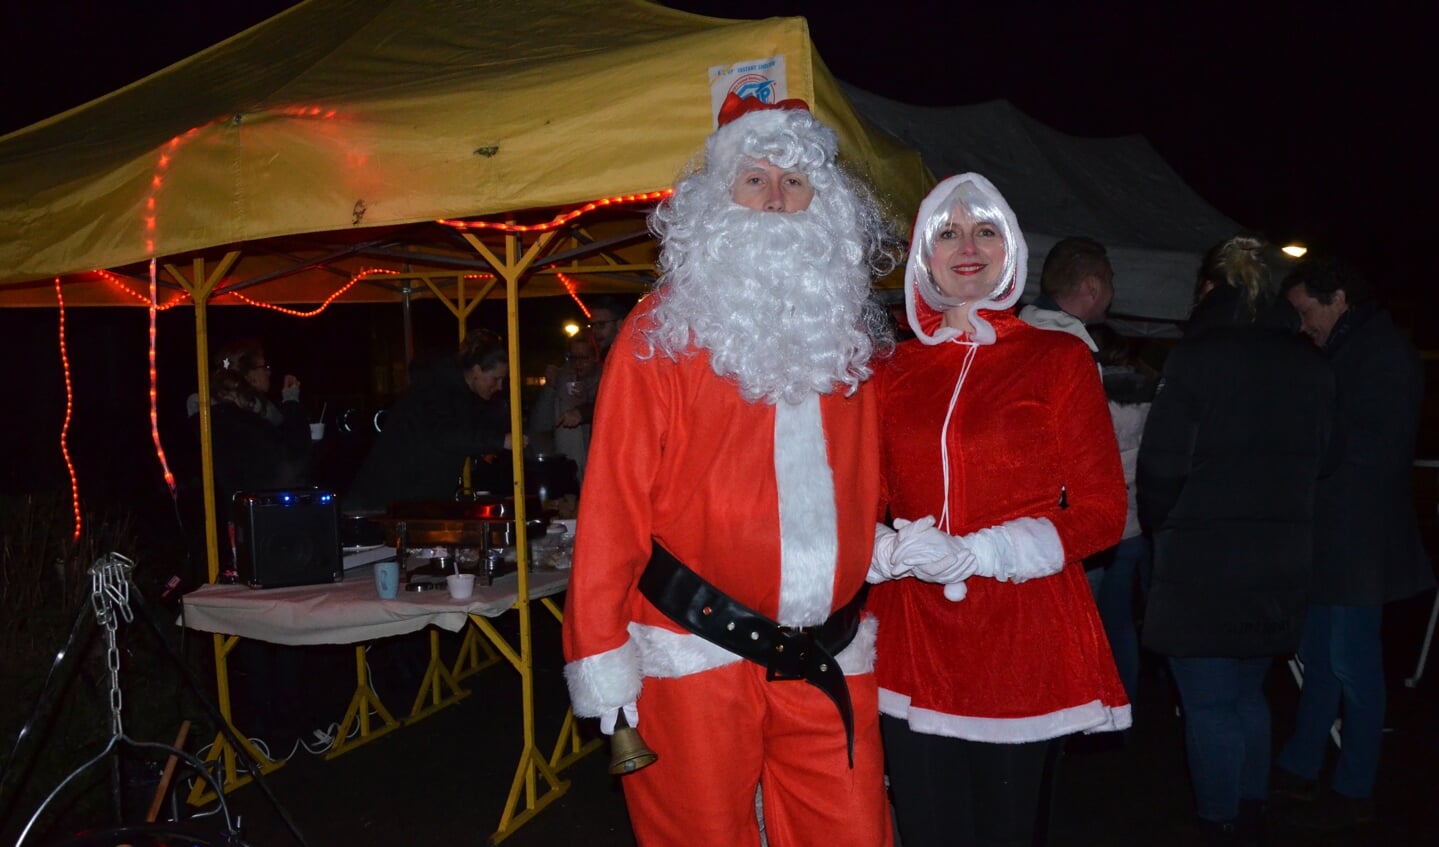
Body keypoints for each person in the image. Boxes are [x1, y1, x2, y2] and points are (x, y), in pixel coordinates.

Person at [561, 93, 896, 846]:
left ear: (826, 206)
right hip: (692, 648)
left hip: (829, 651)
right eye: (755, 181)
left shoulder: (845, 338)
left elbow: (868, 482)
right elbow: (612, 502)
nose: (776, 200)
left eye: (795, 183)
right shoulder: (660, 331)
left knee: (852, 830)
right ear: (717, 198)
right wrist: (597, 647)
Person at [866, 173, 1130, 847]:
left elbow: (1102, 512)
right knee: (927, 828)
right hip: (910, 636)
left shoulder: (1057, 358)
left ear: (1009, 249)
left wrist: (984, 552)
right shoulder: (888, 370)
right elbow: (861, 492)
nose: (966, 247)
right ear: (923, 257)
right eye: (946, 232)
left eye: (984, 230)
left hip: (1019, 638)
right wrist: (880, 547)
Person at [1137, 235, 1336, 844]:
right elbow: (1326, 464)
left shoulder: (1198, 357)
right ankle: (1250, 812)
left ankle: (1222, 821)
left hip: (1203, 561)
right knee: (1247, 693)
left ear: (1208, 288)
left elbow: (1161, 468)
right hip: (1280, 560)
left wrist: (1160, 529)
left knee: (1209, 703)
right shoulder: (1309, 361)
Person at [1273, 257, 1435, 830]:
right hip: (1336, 538)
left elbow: (1369, 451)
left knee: (1351, 665)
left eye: (1304, 310)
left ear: (1337, 297)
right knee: (1323, 659)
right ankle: (1302, 763)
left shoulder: (1381, 354)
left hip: (1357, 543)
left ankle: (1356, 780)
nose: (1301, 324)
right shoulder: (1354, 349)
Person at [344, 329, 516, 512]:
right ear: (476, 370)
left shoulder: (458, 392)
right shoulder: (437, 388)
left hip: (408, 502)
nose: (499, 386)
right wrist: (500, 440)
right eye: (496, 379)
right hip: (382, 503)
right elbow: (445, 435)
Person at [1088, 323, 1158, 709]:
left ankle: (1099, 705)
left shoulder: (1092, 400)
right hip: (1134, 528)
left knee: (1096, 624)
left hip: (1102, 529)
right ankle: (1125, 701)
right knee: (1120, 622)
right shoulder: (1150, 401)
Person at [1018, 235, 1115, 353]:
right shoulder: (1073, 352)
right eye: (1109, 281)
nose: (1112, 291)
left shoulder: (1020, 331)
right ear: (1092, 287)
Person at [528, 332, 601, 481]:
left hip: (598, 463)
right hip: (569, 464)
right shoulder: (563, 379)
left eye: (584, 358)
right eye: (573, 358)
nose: (578, 364)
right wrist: (550, 387)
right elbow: (539, 426)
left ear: (595, 357)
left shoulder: (605, 379)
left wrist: (584, 403)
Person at [585, 295, 632, 364]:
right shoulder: (605, 355)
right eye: (592, 325)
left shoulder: (628, 358)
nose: (595, 330)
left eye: (601, 324)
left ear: (620, 324)